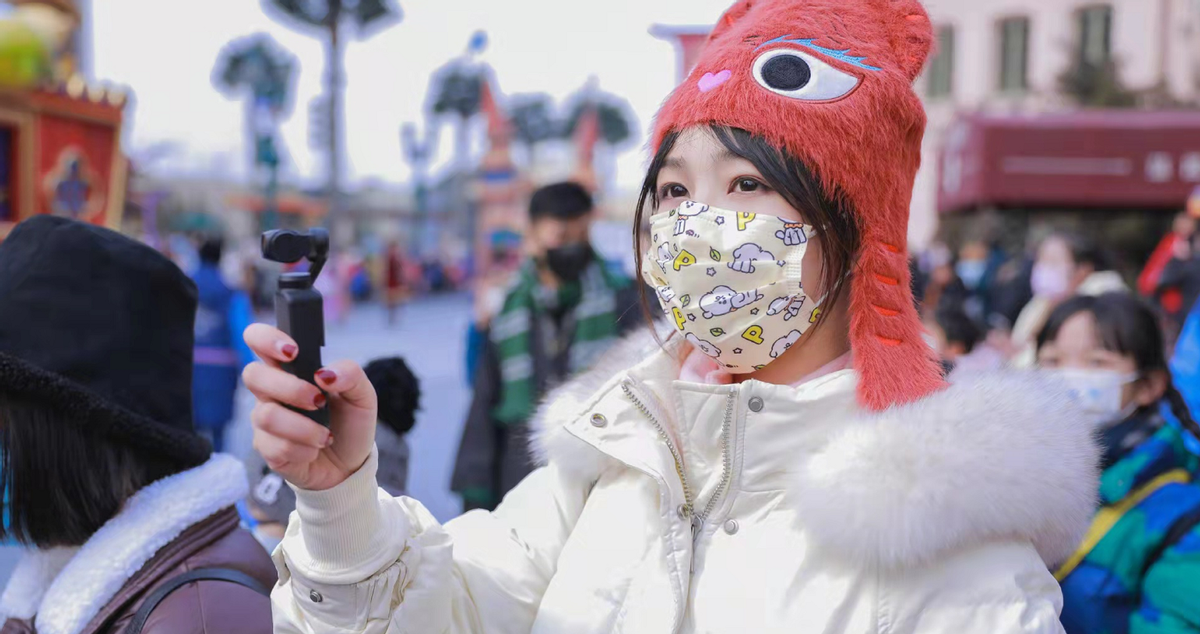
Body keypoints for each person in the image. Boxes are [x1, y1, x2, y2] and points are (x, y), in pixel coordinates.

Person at [244, 2, 1098, 631]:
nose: (697, 223)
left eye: (747, 183)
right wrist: (341, 502)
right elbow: (441, 612)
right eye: (676, 190)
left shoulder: (951, 543)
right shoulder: (613, 455)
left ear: (857, 226)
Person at [0, 216, 274, 633]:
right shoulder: (75, 573)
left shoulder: (196, 619)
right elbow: (241, 336)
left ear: (66, 433)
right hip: (212, 385)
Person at [451, 180, 642, 511]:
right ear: (533, 236)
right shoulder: (507, 310)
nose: (571, 249)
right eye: (560, 237)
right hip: (521, 477)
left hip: (602, 475)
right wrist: (476, 489)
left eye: (580, 237)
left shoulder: (627, 299)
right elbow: (484, 397)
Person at [1036, 293, 1200, 633]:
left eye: (1097, 362)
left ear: (1148, 385)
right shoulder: (1007, 477)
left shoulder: (1183, 514)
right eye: (1052, 360)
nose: (1067, 377)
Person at [245, 355, 420, 553]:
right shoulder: (389, 446)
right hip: (303, 535)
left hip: (261, 507)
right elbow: (386, 512)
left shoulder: (332, 414)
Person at [1011, 232, 1128, 367]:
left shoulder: (1106, 303)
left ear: (1083, 270)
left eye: (1052, 261)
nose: (1042, 269)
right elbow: (1020, 353)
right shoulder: (1041, 303)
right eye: (1039, 260)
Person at [191, 236, 255, 453]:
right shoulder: (231, 293)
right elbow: (241, 331)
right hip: (222, 368)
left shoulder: (184, 287)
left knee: (191, 426)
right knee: (219, 430)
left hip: (189, 366)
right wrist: (249, 369)